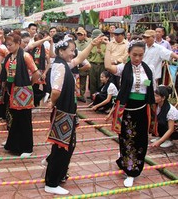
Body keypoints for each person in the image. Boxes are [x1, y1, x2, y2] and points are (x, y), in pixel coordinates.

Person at [43, 33, 102, 195]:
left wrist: (91, 44)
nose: (73, 53)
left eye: (74, 50)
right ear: (61, 51)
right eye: (71, 50)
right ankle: (51, 183)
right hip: (63, 112)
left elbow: (78, 58)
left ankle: (58, 176)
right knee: (61, 148)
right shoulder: (61, 66)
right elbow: (56, 90)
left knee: (67, 146)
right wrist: (52, 102)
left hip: (67, 112)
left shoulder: (63, 63)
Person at [105, 41, 156, 187]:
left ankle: (135, 167)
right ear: (129, 53)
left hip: (142, 109)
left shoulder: (149, 68)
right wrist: (108, 48)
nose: (137, 58)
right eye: (134, 55)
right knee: (127, 139)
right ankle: (130, 171)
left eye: (140, 55)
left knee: (140, 141)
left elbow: (151, 87)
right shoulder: (123, 68)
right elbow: (108, 66)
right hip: (128, 109)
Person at [0, 29, 40, 157]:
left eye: (11, 45)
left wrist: (28, 85)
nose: (8, 47)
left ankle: (27, 148)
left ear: (18, 43)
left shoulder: (25, 56)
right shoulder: (8, 54)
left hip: (23, 92)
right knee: (13, 119)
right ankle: (13, 144)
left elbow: (36, 73)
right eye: (7, 45)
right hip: (11, 91)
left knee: (24, 119)